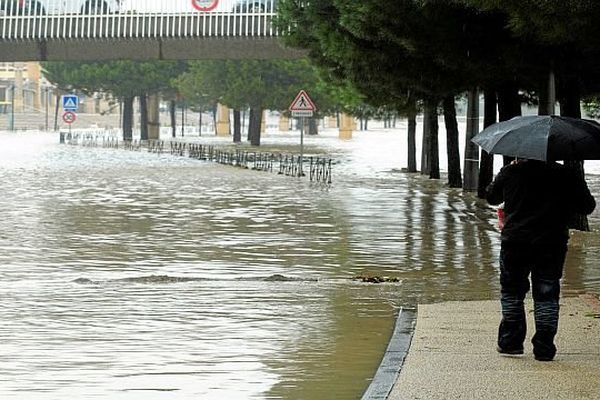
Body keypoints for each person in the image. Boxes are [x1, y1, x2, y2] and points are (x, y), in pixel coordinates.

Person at [486, 159, 596, 361]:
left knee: (512, 291)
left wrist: (506, 171)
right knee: (547, 293)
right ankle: (544, 348)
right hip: (552, 242)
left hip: (515, 241)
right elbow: (587, 206)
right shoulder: (566, 175)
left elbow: (491, 197)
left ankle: (510, 342)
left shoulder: (513, 171)